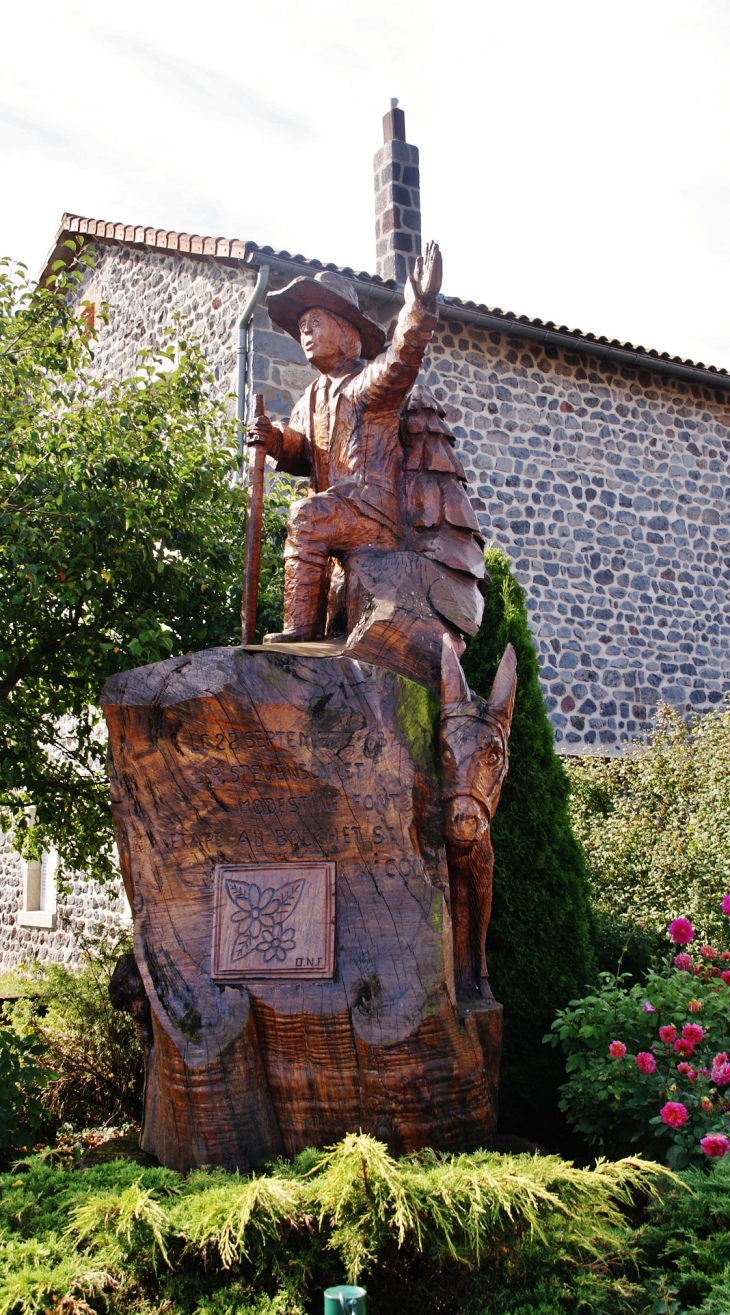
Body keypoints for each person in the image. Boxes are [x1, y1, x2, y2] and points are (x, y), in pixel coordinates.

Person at [248, 241, 442, 643]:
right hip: (338, 513)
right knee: (309, 516)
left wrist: (419, 308)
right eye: (302, 326)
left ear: (345, 331)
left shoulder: (367, 384)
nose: (305, 332)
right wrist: (275, 439)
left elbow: (402, 358)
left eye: (315, 322)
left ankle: (301, 630)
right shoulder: (311, 397)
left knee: (306, 516)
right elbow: (303, 450)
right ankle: (305, 629)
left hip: (372, 511)